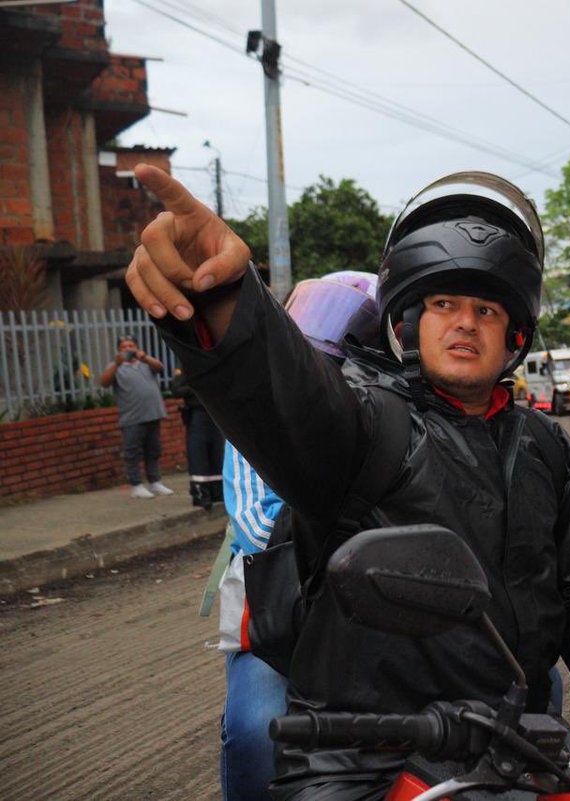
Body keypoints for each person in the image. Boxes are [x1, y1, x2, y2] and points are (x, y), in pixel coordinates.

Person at [124, 166, 570, 800]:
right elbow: (287, 396)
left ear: (514, 337)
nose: (464, 322)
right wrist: (227, 303)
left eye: (486, 309)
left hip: (511, 745)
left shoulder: (544, 446)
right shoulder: (363, 422)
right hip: (363, 757)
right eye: (444, 304)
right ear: (408, 322)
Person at [216, 270, 380, 801]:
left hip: (387, 614)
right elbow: (261, 531)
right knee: (256, 732)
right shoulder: (253, 415)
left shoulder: (393, 412)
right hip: (282, 614)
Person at [99, 335, 173, 499]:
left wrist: (144, 357)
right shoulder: (115, 367)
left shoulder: (145, 364)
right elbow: (104, 382)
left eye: (131, 345)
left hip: (153, 414)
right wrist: (118, 363)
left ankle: (155, 482)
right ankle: (136, 485)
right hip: (132, 417)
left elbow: (160, 367)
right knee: (132, 452)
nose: (128, 349)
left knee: (153, 450)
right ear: (119, 350)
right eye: (124, 347)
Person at [171, 366, 225, 509]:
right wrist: (198, 384)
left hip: (215, 414)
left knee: (216, 453)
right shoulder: (185, 369)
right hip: (197, 414)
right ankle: (201, 495)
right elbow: (176, 390)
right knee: (198, 453)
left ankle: (217, 493)